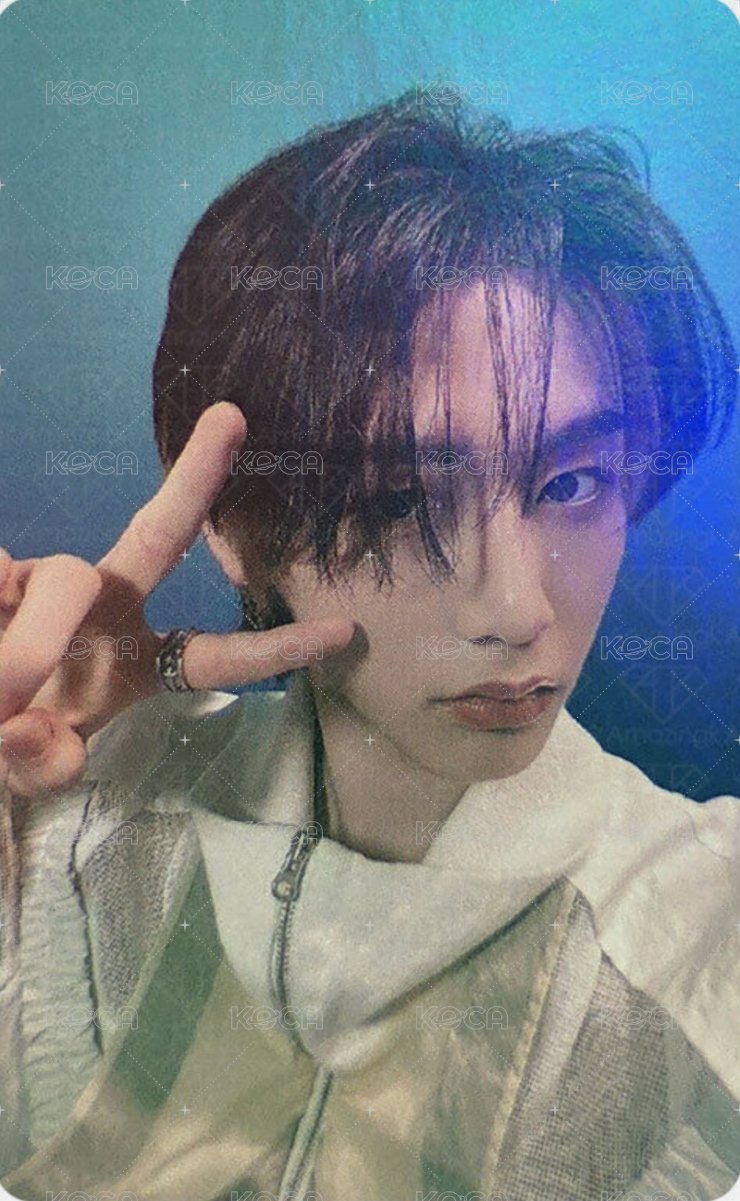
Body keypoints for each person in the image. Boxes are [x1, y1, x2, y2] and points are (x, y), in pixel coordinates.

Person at [0, 90, 738, 1201]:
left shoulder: (694, 919)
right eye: (402, 501)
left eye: (572, 482)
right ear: (238, 527)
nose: (515, 609)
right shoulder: (75, 810)